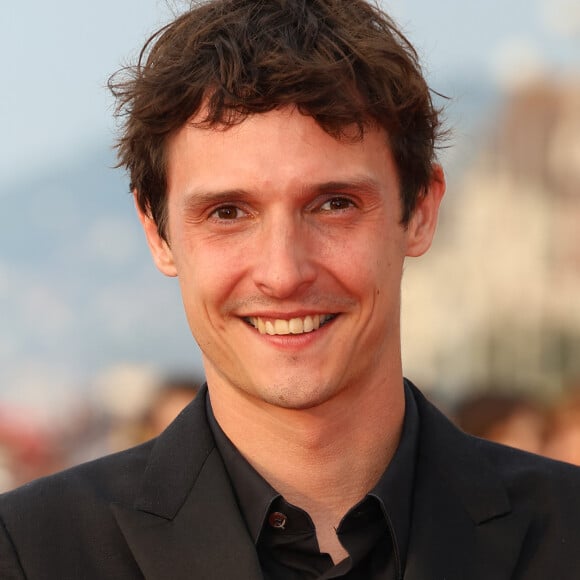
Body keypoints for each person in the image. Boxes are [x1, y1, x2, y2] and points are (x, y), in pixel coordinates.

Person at [1, 1, 579, 578]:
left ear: (422, 210)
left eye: (334, 205)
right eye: (228, 212)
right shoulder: (30, 552)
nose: (283, 272)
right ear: (158, 233)